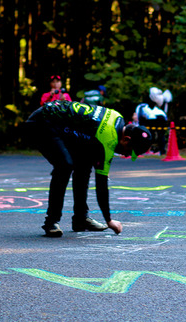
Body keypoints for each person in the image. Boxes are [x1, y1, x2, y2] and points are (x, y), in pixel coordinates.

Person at [25, 100, 153, 237]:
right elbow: (101, 185)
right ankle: (51, 222)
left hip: (62, 125)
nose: (126, 155)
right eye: (130, 151)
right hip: (42, 122)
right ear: (126, 139)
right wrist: (109, 220)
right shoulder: (108, 139)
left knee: (84, 164)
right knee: (65, 165)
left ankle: (81, 219)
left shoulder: (117, 118)